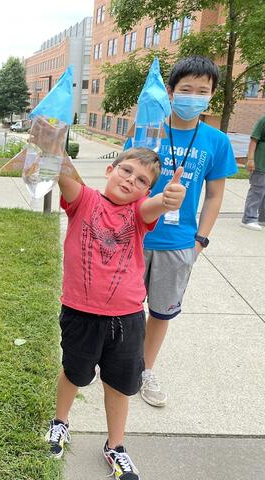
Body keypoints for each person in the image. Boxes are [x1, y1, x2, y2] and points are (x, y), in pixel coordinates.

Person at [46, 148, 186, 480]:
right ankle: (60, 421)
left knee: (120, 385)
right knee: (74, 373)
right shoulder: (84, 201)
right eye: (125, 171)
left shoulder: (141, 212)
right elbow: (64, 174)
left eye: (141, 180)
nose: (130, 181)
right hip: (80, 315)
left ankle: (116, 446)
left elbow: (157, 206)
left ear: (146, 191)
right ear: (110, 169)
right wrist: (52, 140)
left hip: (127, 320)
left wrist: (169, 198)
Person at [124, 56, 238, 407]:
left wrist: (200, 241)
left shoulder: (216, 142)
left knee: (161, 312)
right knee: (124, 308)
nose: (194, 97)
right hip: (136, 237)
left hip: (178, 243)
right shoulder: (149, 130)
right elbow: (124, 182)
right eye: (186, 89)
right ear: (171, 92)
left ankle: (145, 369)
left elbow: (215, 195)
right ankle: (119, 364)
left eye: (202, 91)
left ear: (211, 96)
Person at [240, 115, 265, 231]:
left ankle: (262, 218)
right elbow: (253, 140)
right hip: (260, 163)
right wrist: (250, 159)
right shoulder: (263, 120)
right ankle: (248, 218)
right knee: (257, 191)